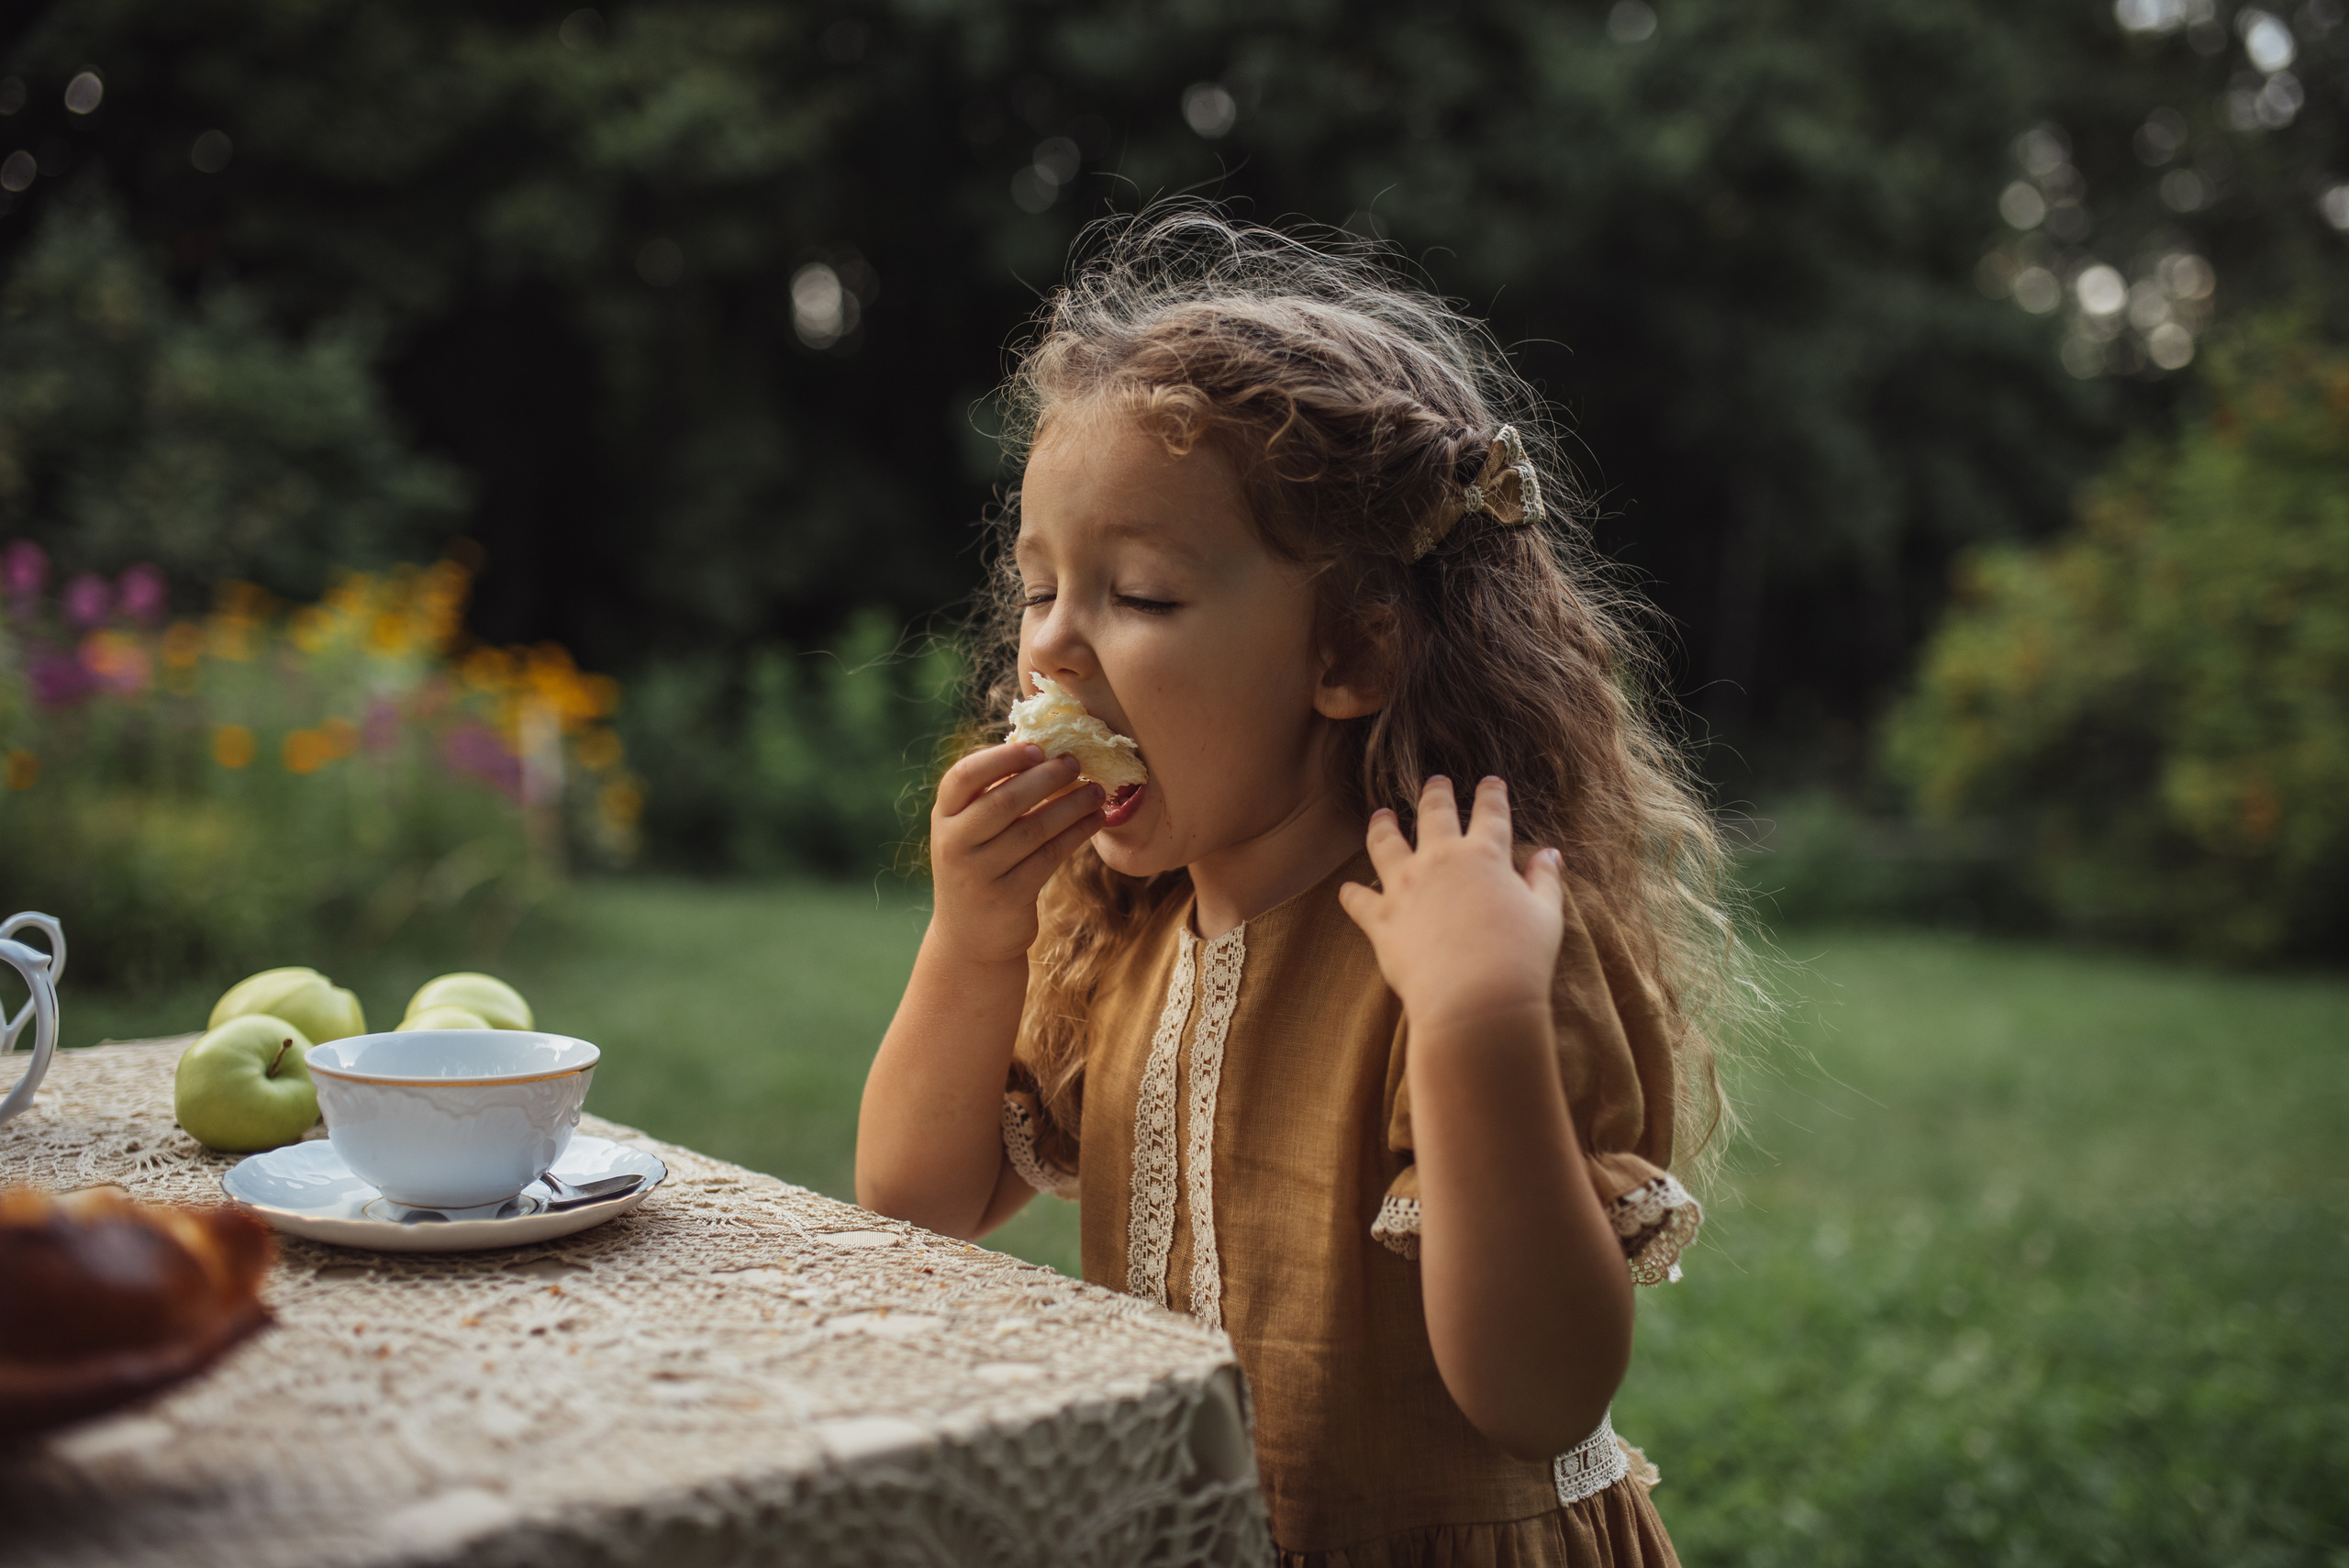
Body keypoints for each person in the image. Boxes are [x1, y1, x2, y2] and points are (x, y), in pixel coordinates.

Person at [856, 208, 1759, 1567]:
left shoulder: (1475, 941)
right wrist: (974, 938)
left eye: (1140, 596)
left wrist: (1475, 1024)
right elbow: (916, 1204)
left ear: (1354, 651)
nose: (1050, 649)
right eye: (1039, 590)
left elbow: (1541, 1392)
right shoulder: (1127, 932)